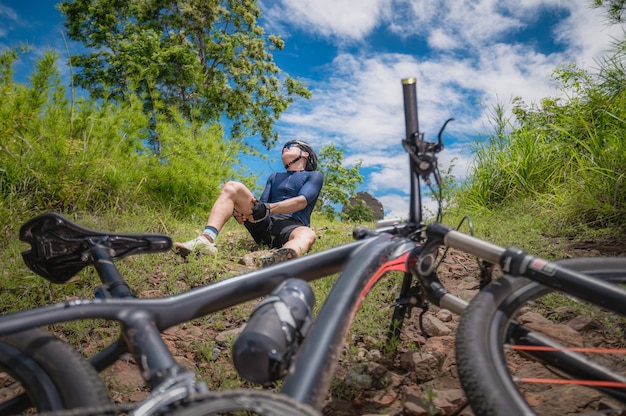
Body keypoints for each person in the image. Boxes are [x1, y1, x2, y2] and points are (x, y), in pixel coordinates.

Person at [175, 139, 324, 266]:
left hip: (292, 227)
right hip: (265, 224)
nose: (285, 147)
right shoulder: (274, 176)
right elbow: (262, 203)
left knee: (308, 234)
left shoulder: (315, 176)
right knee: (232, 186)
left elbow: (301, 202)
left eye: (292, 145)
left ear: (305, 154)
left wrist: (266, 208)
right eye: (285, 146)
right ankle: (206, 239)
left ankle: (280, 259)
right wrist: (242, 212)